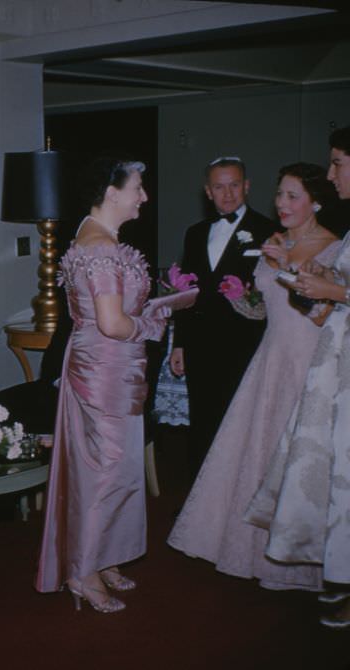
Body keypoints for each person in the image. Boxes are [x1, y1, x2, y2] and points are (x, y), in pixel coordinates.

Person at [168, 163, 339, 590]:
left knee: (299, 461)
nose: (282, 204)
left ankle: (297, 560)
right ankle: (243, 546)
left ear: (316, 200)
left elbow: (323, 316)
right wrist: (239, 298)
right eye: (280, 194)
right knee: (254, 453)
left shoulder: (334, 248)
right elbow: (265, 311)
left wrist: (286, 270)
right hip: (269, 357)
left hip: (306, 362)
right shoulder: (275, 240)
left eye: (293, 196)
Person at [35, 157, 169, 613]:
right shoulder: (100, 249)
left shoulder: (96, 238)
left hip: (110, 368)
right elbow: (112, 323)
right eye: (138, 188)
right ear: (112, 193)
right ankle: (84, 572)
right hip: (104, 372)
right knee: (106, 472)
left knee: (118, 467)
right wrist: (151, 322)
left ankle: (105, 554)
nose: (144, 197)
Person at [244, 126, 350, 627]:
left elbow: (329, 306)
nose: (332, 174)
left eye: (337, 163)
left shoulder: (331, 241)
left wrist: (328, 290)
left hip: (321, 360)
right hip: (311, 360)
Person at [170, 157, 276, 475]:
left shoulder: (269, 231)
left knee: (242, 424)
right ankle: (200, 507)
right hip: (201, 345)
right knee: (202, 423)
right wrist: (180, 344)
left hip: (245, 345)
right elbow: (186, 293)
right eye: (219, 186)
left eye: (234, 185)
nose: (227, 194)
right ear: (208, 191)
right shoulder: (195, 233)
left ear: (246, 186)